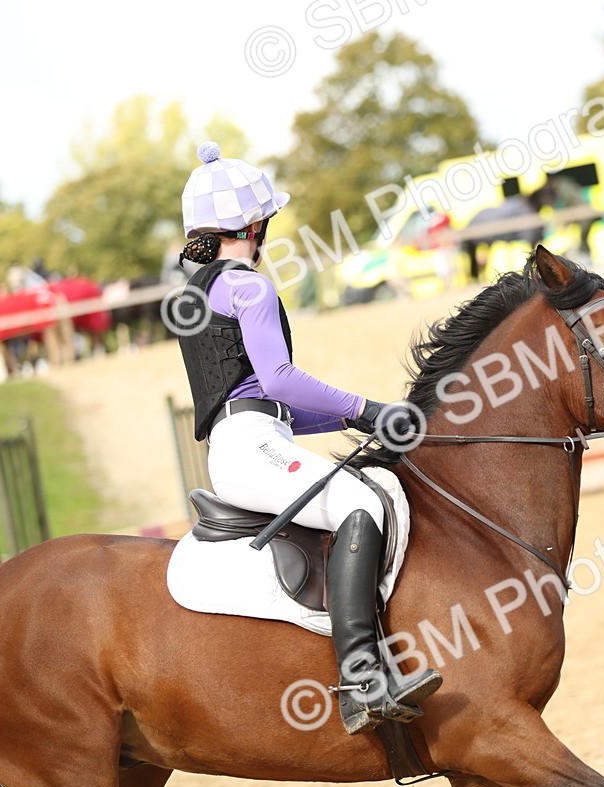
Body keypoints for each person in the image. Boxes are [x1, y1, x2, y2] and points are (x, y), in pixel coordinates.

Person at [174, 141, 441, 734]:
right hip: (250, 446)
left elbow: (259, 398)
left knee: (359, 490)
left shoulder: (196, 295)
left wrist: (353, 419)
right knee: (361, 500)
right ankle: (362, 678)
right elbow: (280, 379)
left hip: (245, 439)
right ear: (254, 224)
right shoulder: (251, 288)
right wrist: (367, 406)